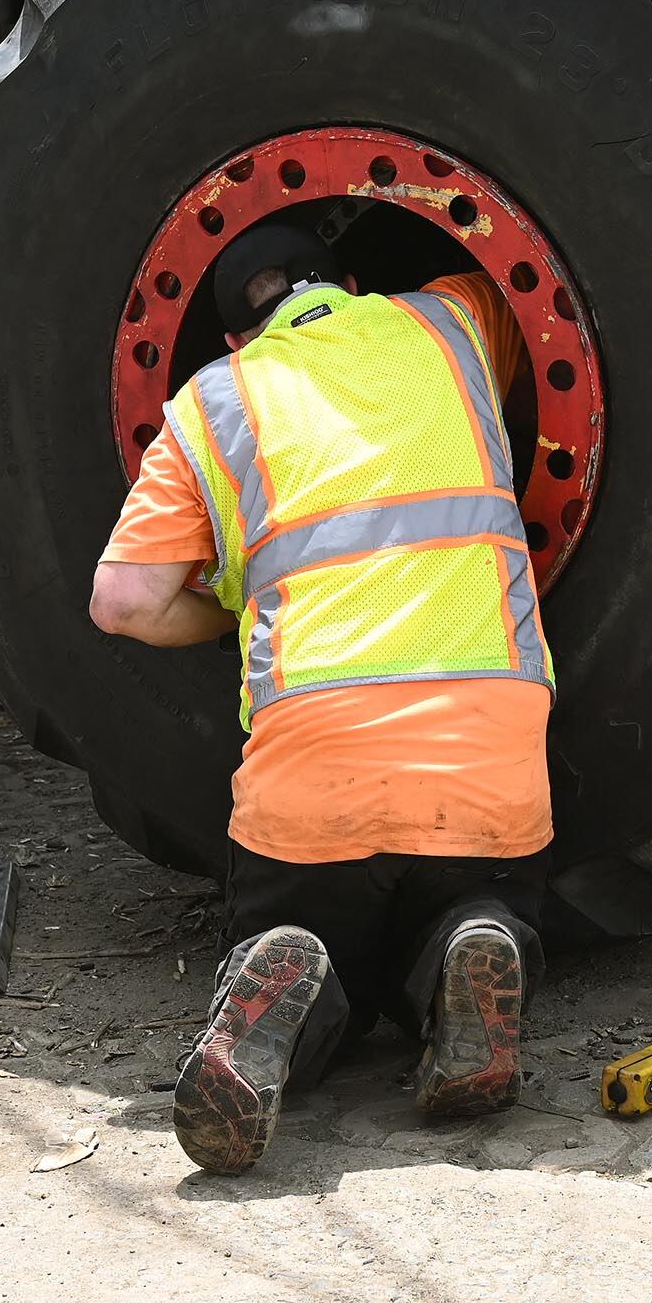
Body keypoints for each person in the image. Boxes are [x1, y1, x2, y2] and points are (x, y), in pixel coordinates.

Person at [89, 220, 553, 1175]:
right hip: (490, 769)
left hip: (317, 782)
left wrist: (235, 602)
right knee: (465, 901)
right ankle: (474, 940)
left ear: (231, 339)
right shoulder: (452, 325)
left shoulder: (212, 400)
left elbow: (123, 602)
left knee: (312, 943)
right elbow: (529, 299)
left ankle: (284, 973)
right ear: (344, 283)